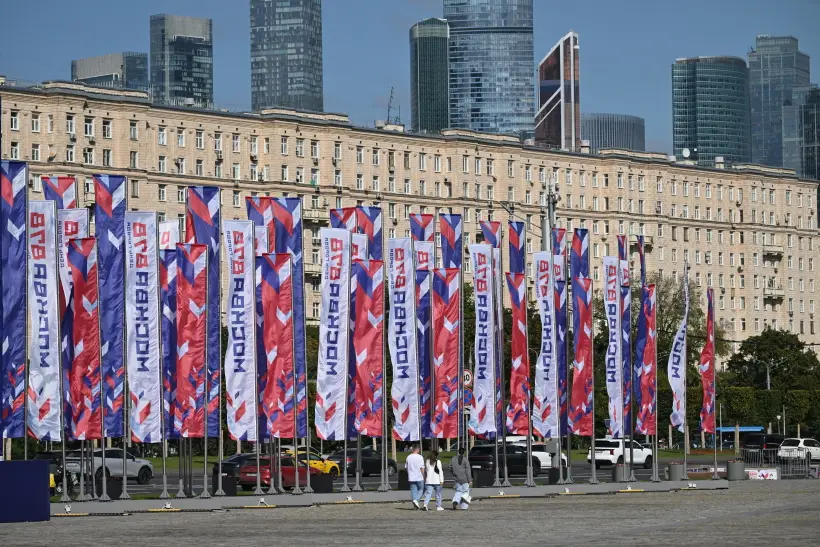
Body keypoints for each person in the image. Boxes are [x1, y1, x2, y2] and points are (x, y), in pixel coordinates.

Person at [405, 444, 425, 510]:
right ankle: (416, 500)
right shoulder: (420, 457)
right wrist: (423, 475)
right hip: (419, 476)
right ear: (418, 449)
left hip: (411, 476)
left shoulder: (408, 457)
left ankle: (415, 503)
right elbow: (422, 468)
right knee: (421, 489)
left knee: (413, 490)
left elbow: (406, 467)